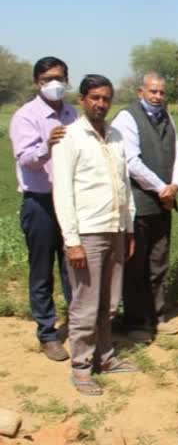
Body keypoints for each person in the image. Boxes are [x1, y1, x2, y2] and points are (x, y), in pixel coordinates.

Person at [52, 74, 138, 395]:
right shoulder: (69, 137)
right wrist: (72, 241)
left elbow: (124, 186)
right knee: (86, 304)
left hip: (115, 228)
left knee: (109, 303)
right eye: (95, 98)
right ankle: (81, 367)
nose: (101, 104)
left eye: (106, 98)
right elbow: (62, 192)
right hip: (87, 233)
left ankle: (105, 357)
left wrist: (128, 229)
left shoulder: (115, 135)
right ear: (82, 100)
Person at [9, 56, 76, 361]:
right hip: (40, 202)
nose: (55, 84)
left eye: (60, 78)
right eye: (49, 79)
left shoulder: (72, 113)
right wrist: (47, 146)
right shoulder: (26, 116)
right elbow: (24, 158)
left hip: (69, 200)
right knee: (42, 271)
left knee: (72, 266)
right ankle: (48, 333)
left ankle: (77, 326)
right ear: (38, 82)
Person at [112, 72, 178, 337]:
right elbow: (131, 161)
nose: (158, 97)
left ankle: (156, 317)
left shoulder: (167, 117)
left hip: (163, 204)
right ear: (140, 92)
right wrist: (161, 188)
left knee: (159, 262)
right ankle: (134, 321)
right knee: (135, 265)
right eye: (153, 92)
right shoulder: (127, 118)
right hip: (139, 204)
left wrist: (174, 185)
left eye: (161, 92)